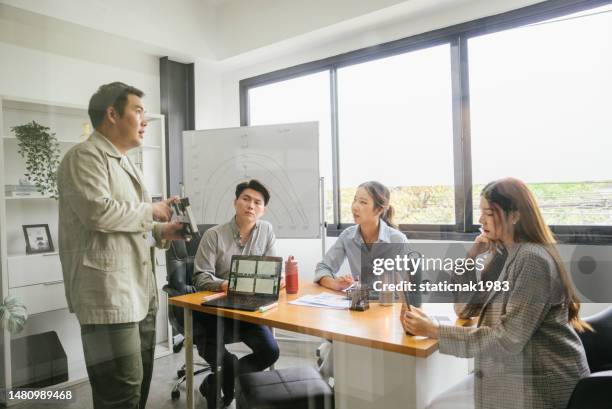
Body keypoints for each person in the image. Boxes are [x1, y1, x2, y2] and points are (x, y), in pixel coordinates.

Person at [401, 177, 591, 409]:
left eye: (489, 213)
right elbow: (466, 308)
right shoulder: (505, 253)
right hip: (514, 372)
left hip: (540, 383)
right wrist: (471, 257)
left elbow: (507, 340)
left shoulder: (531, 260)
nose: (480, 220)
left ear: (515, 216)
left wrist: (434, 331)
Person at [58, 82, 183, 409]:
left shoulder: (125, 161)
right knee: (120, 392)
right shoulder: (84, 157)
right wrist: (151, 210)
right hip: (109, 297)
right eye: (138, 111)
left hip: (139, 294)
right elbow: (99, 213)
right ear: (112, 114)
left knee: (137, 385)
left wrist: (162, 231)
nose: (145, 121)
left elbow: (129, 224)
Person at [193, 179, 280, 408]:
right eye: (246, 199)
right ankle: (224, 376)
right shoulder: (214, 235)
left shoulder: (267, 230)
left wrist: (273, 282)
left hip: (247, 310)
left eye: (257, 202)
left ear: (263, 209)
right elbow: (200, 276)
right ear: (235, 202)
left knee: (270, 351)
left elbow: (269, 270)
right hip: (216, 311)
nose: (251, 205)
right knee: (224, 361)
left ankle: (220, 381)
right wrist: (226, 285)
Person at [314, 180, 410, 290]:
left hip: (388, 304)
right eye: (355, 200)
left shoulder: (398, 240)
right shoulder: (347, 236)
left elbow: (410, 284)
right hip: (358, 303)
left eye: (363, 202)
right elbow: (323, 267)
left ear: (379, 210)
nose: (355, 206)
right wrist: (335, 284)